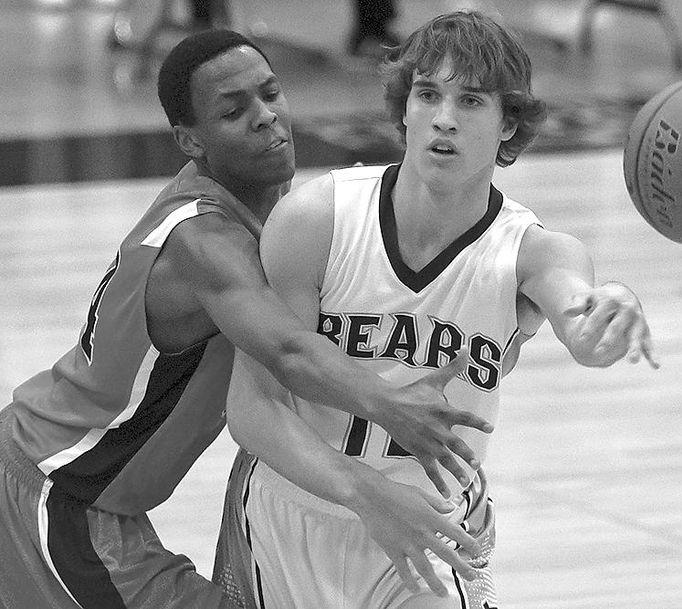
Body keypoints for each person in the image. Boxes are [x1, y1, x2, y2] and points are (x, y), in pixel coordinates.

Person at [0, 29, 497, 609]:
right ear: (191, 140)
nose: (266, 118)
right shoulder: (201, 240)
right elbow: (288, 353)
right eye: (235, 111)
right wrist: (391, 404)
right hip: (58, 491)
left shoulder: (277, 198)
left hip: (99, 494)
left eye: (270, 93)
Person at [214, 10, 658, 609]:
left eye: (471, 101)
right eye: (428, 94)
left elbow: (585, 330)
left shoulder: (533, 254)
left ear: (509, 125)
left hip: (430, 535)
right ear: (404, 108)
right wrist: (363, 492)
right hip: (288, 516)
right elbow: (251, 408)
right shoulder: (316, 220)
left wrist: (614, 307)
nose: (444, 119)